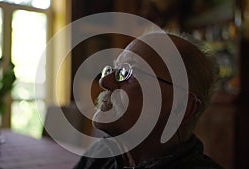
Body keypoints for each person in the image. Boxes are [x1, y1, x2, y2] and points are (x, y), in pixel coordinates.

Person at [73, 31, 223, 169]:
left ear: (181, 107)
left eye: (127, 72)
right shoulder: (101, 153)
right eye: (114, 70)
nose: (104, 81)